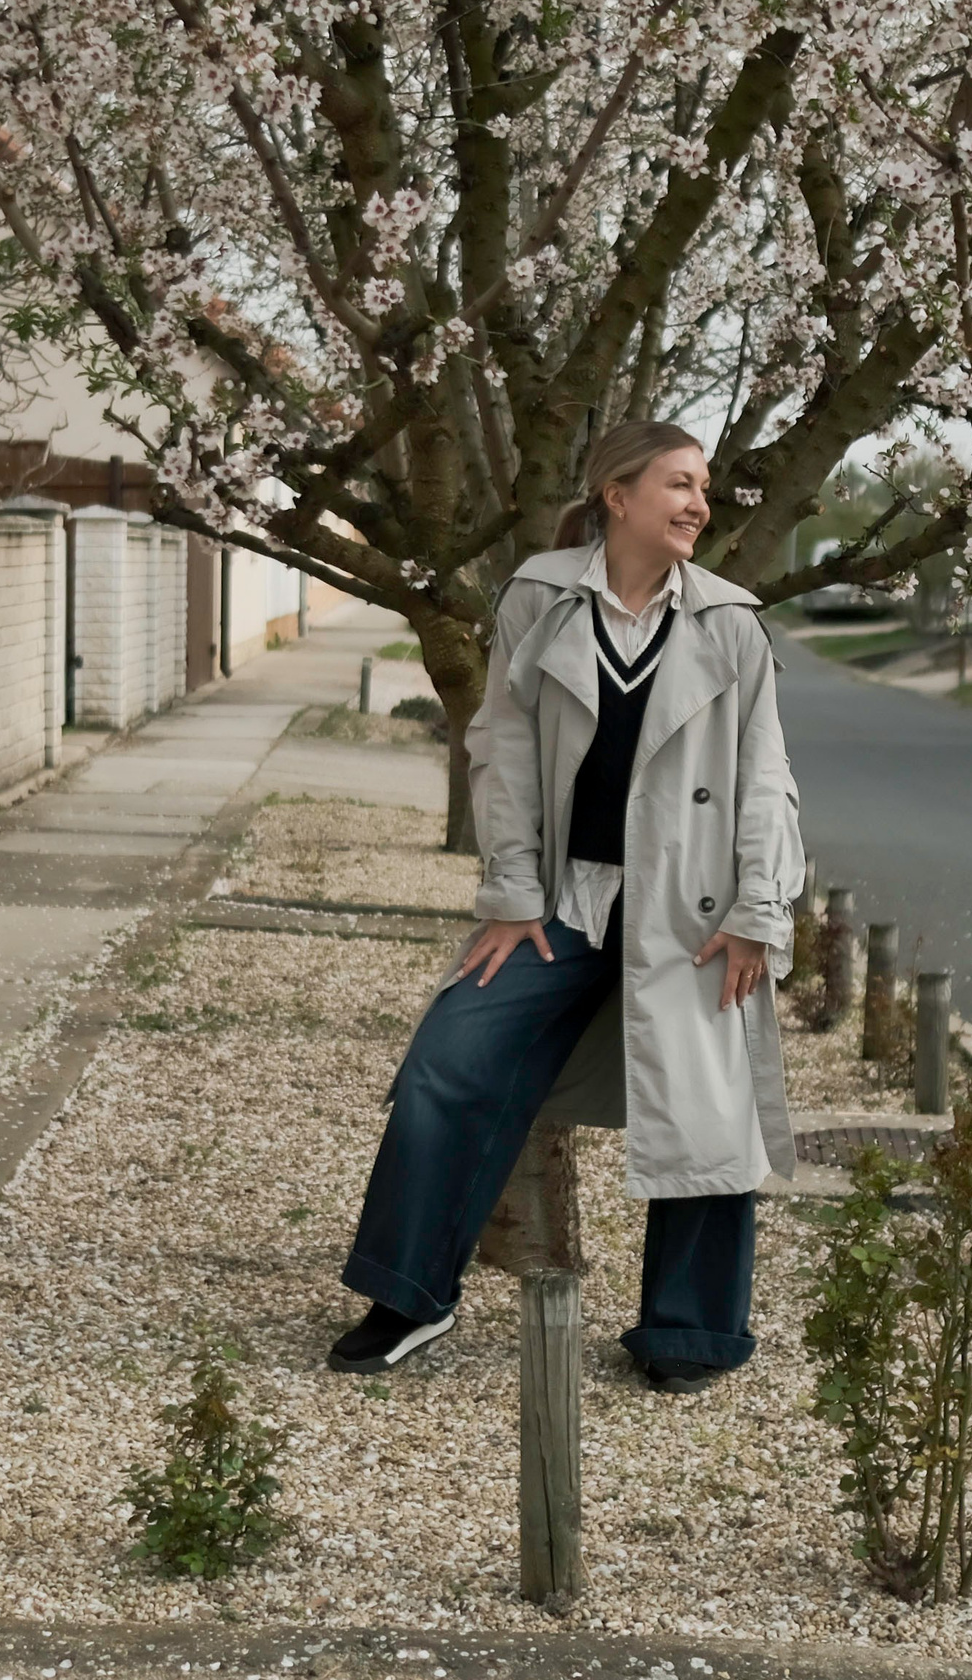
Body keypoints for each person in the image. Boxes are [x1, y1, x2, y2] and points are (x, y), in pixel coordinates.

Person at [329, 421, 803, 1390]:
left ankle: (690, 1331)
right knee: (446, 1059)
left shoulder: (729, 623)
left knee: (709, 1113)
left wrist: (758, 908)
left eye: (703, 488)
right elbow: (497, 753)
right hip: (563, 900)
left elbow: (766, 779)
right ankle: (409, 1293)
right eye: (679, 483)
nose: (698, 504)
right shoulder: (539, 600)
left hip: (692, 906)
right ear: (615, 495)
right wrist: (508, 893)